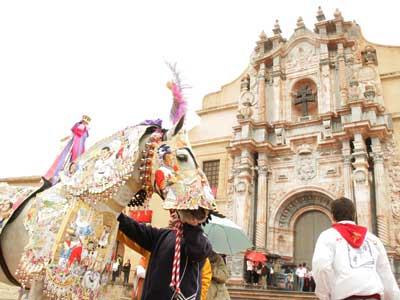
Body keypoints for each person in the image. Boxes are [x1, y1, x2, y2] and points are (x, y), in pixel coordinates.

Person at [312, 197, 400, 300]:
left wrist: (325, 296)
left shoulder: (328, 236)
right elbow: (385, 273)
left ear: (332, 216)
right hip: (374, 297)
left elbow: (322, 267)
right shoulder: (373, 239)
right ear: (354, 215)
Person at [117, 207, 212, 300]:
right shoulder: (162, 235)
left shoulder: (200, 242)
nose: (172, 215)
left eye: (176, 212)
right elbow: (135, 229)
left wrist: (190, 224)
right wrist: (115, 213)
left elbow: (197, 250)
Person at [44, 115, 91, 184]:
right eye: (84, 120)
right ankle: (55, 177)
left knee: (73, 162)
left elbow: (82, 138)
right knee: (64, 159)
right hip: (72, 145)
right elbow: (73, 134)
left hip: (79, 148)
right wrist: (66, 138)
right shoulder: (78, 125)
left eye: (86, 121)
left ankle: (67, 177)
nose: (84, 122)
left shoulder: (86, 130)